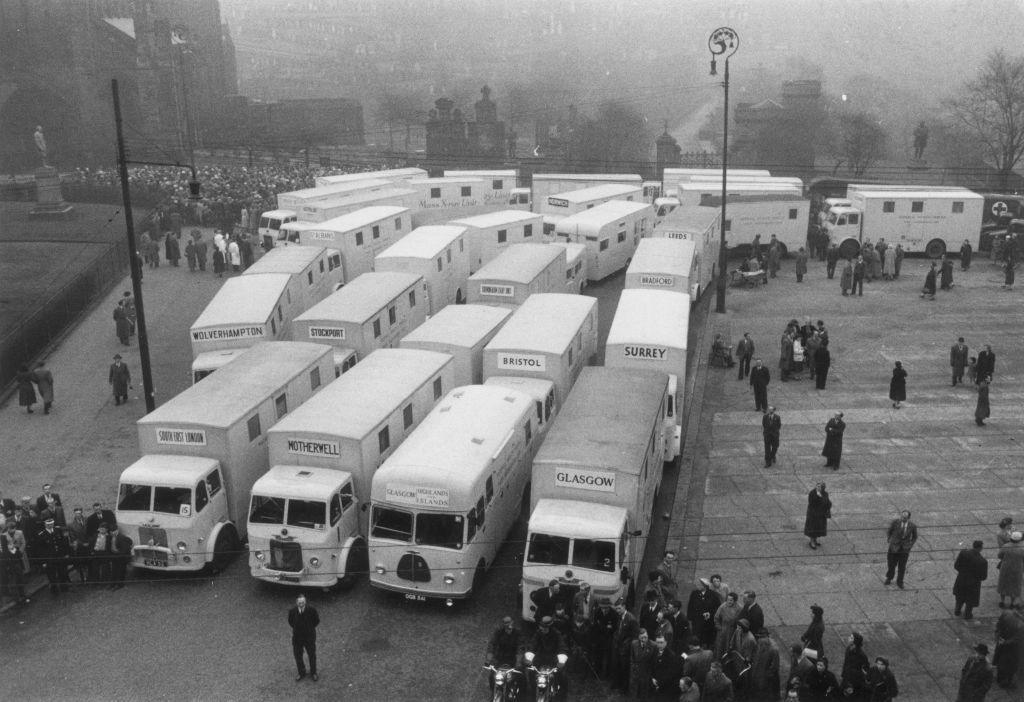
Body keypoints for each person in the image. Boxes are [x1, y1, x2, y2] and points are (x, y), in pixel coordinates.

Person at [527, 615, 569, 697]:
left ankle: (561, 695)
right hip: (541, 658)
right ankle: (533, 692)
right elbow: (532, 645)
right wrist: (529, 658)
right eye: (541, 627)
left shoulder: (557, 634)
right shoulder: (538, 633)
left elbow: (562, 647)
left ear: (549, 627)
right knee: (531, 672)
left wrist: (561, 661)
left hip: (554, 659)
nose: (542, 629)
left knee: (562, 677)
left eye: (544, 627)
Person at [485, 616, 524, 696]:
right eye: (506, 627)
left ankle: (521, 696)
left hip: (514, 659)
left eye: (510, 626)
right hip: (500, 658)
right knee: (492, 677)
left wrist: (518, 662)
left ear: (512, 623)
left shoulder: (518, 633)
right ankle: (494, 693)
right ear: (504, 626)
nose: (508, 629)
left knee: (521, 677)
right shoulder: (498, 632)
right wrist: (488, 660)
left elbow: (521, 647)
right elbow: (492, 644)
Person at [288, 594, 320, 681]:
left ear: (305, 602)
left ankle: (313, 672)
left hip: (309, 637)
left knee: (312, 655)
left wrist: (309, 629)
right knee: (298, 656)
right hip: (297, 638)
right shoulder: (292, 611)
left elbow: (316, 621)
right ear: (296, 602)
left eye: (302, 602)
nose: (301, 604)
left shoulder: (311, 610)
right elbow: (291, 622)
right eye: (299, 602)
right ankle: (301, 672)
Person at [954, 540, 988, 619]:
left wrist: (962, 572)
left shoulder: (963, 553)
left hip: (961, 579)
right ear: (980, 548)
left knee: (960, 596)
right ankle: (967, 614)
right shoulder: (982, 561)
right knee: (970, 600)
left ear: (973, 546)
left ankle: (957, 611)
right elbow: (983, 577)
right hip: (973, 584)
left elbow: (956, 566)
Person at [611, 598, 640, 691]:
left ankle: (624, 688)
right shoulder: (620, 617)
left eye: (619, 608)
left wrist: (626, 645)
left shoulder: (631, 619)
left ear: (624, 607)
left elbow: (635, 636)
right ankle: (617, 684)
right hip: (618, 646)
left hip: (625, 648)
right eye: (616, 609)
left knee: (624, 668)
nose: (617, 611)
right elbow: (617, 630)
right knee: (617, 666)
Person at [36, 517, 70, 594]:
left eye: (52, 524)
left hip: (59, 556)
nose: (50, 525)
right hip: (49, 558)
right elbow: (40, 550)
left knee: (62, 572)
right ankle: (54, 590)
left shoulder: (58, 530)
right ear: (45, 524)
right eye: (48, 524)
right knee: (51, 575)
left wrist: (66, 553)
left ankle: (64, 587)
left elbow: (64, 543)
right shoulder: (41, 535)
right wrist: (43, 562)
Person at [885, 510, 918, 589]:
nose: (903, 518)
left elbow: (914, 537)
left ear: (908, 518)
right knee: (891, 564)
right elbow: (889, 531)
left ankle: (900, 582)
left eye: (905, 517)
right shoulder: (895, 523)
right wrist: (890, 540)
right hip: (894, 548)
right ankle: (889, 578)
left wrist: (909, 545)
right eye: (902, 516)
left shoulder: (912, 526)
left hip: (904, 549)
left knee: (902, 566)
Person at [0, 519, 30, 604]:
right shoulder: (3, 536)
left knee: (19, 578)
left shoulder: (5, 537)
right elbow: (4, 550)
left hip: (14, 559)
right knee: (12, 581)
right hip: (5, 563)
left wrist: (17, 553)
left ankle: (22, 595)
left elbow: (15, 546)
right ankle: (17, 598)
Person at [687, 579, 721, 650]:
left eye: (700, 585)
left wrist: (710, 613)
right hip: (697, 621)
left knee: (706, 639)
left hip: (708, 622)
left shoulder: (713, 595)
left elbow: (718, 608)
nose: (698, 586)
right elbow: (690, 606)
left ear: (705, 586)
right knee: (696, 636)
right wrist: (690, 619)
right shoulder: (694, 593)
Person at [994, 607, 1024, 690]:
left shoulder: (1006, 613)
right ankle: (1004, 681)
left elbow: (999, 625)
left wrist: (998, 636)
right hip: (1014, 648)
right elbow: (1018, 638)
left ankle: (999, 678)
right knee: (1010, 664)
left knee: (1000, 658)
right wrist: (1006, 642)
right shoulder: (1021, 624)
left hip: (1002, 641)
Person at [750, 628, 781, 701]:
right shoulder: (760, 645)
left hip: (768, 680)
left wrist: (766, 676)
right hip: (759, 675)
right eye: (759, 638)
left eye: (761, 638)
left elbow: (775, 667)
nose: (759, 640)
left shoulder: (774, 649)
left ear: (766, 637)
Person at [649, 633, 681, 701]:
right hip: (653, 684)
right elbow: (651, 666)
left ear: (666, 643)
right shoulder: (654, 651)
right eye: (657, 642)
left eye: (661, 642)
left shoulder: (671, 655)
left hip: (664, 687)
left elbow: (670, 673)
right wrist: (652, 678)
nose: (659, 645)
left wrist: (659, 683)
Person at [998, 531, 1024, 610]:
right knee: (1015, 585)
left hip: (1006, 567)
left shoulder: (1006, 546)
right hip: (1018, 568)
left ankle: (1002, 601)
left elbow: (1000, 555)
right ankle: (1012, 603)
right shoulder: (1022, 548)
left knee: (1003, 584)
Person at [840, 633, 869, 701]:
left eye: (851, 637)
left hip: (855, 680)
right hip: (846, 676)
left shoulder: (861, 654)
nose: (849, 638)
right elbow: (846, 663)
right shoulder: (848, 649)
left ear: (855, 641)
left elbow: (866, 667)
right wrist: (843, 674)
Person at [713, 592, 742, 660]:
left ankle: (730, 661)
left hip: (733, 631)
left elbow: (741, 620)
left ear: (735, 601)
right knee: (720, 647)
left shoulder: (739, 608)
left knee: (731, 647)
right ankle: (719, 661)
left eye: (731, 600)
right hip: (723, 630)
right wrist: (720, 628)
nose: (729, 601)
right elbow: (716, 618)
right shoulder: (722, 607)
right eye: (728, 599)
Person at [628, 628, 655, 699]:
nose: (644, 639)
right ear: (638, 637)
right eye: (642, 637)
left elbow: (654, 661)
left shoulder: (653, 645)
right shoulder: (634, 643)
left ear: (648, 636)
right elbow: (632, 657)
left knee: (644, 692)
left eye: (645, 637)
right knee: (634, 691)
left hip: (646, 672)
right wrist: (633, 668)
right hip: (636, 671)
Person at [804, 483, 832, 550]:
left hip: (821, 515)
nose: (819, 488)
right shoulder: (812, 493)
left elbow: (828, 502)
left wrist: (829, 505)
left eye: (821, 487)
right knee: (813, 528)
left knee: (818, 528)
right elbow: (812, 503)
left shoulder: (825, 493)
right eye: (818, 486)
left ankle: (815, 540)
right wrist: (818, 496)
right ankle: (812, 542)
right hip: (813, 515)